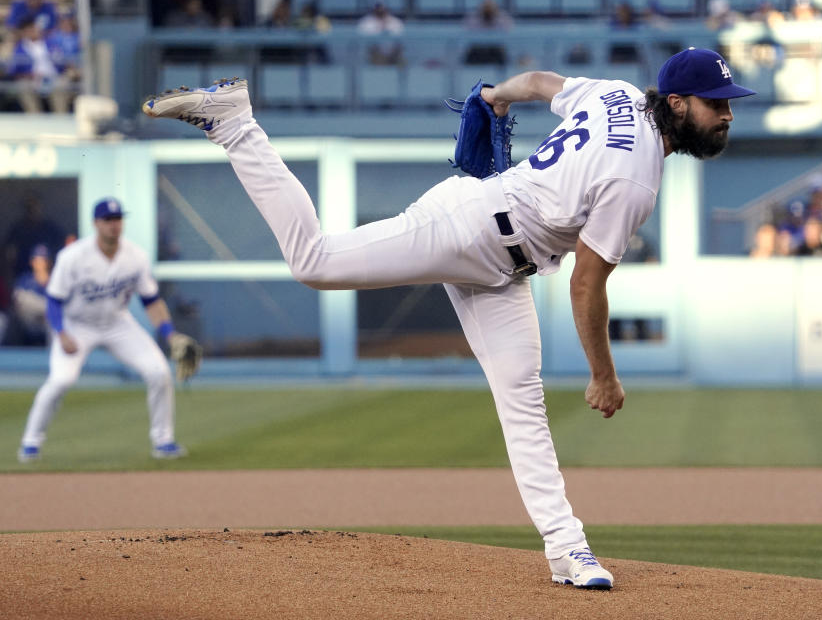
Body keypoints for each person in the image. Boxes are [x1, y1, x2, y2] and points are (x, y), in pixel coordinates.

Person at [142, 47, 756, 590]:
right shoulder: (636, 179)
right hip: (467, 227)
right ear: (676, 102)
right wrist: (604, 374)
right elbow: (587, 282)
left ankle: (567, 548)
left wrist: (493, 95)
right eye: (716, 103)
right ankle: (236, 125)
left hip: (503, 267)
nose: (726, 114)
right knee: (315, 260)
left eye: (728, 103)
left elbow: (542, 82)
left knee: (523, 401)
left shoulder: (617, 95)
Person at [18, 198, 191, 463]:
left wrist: (170, 333)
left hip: (117, 323)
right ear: (95, 224)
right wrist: (61, 333)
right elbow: (54, 300)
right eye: (108, 220)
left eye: (118, 219)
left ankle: (163, 441)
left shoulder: (135, 256)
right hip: (76, 325)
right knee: (61, 381)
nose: (114, 225)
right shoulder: (73, 256)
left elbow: (151, 300)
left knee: (158, 372)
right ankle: (30, 443)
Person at [12, 243, 52, 345]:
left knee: (54, 319)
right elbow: (18, 300)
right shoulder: (25, 279)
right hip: (28, 320)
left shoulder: (55, 280)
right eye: (37, 260)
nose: (40, 263)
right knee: (22, 299)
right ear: (32, 262)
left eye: (43, 260)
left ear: (48, 262)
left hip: (47, 322)